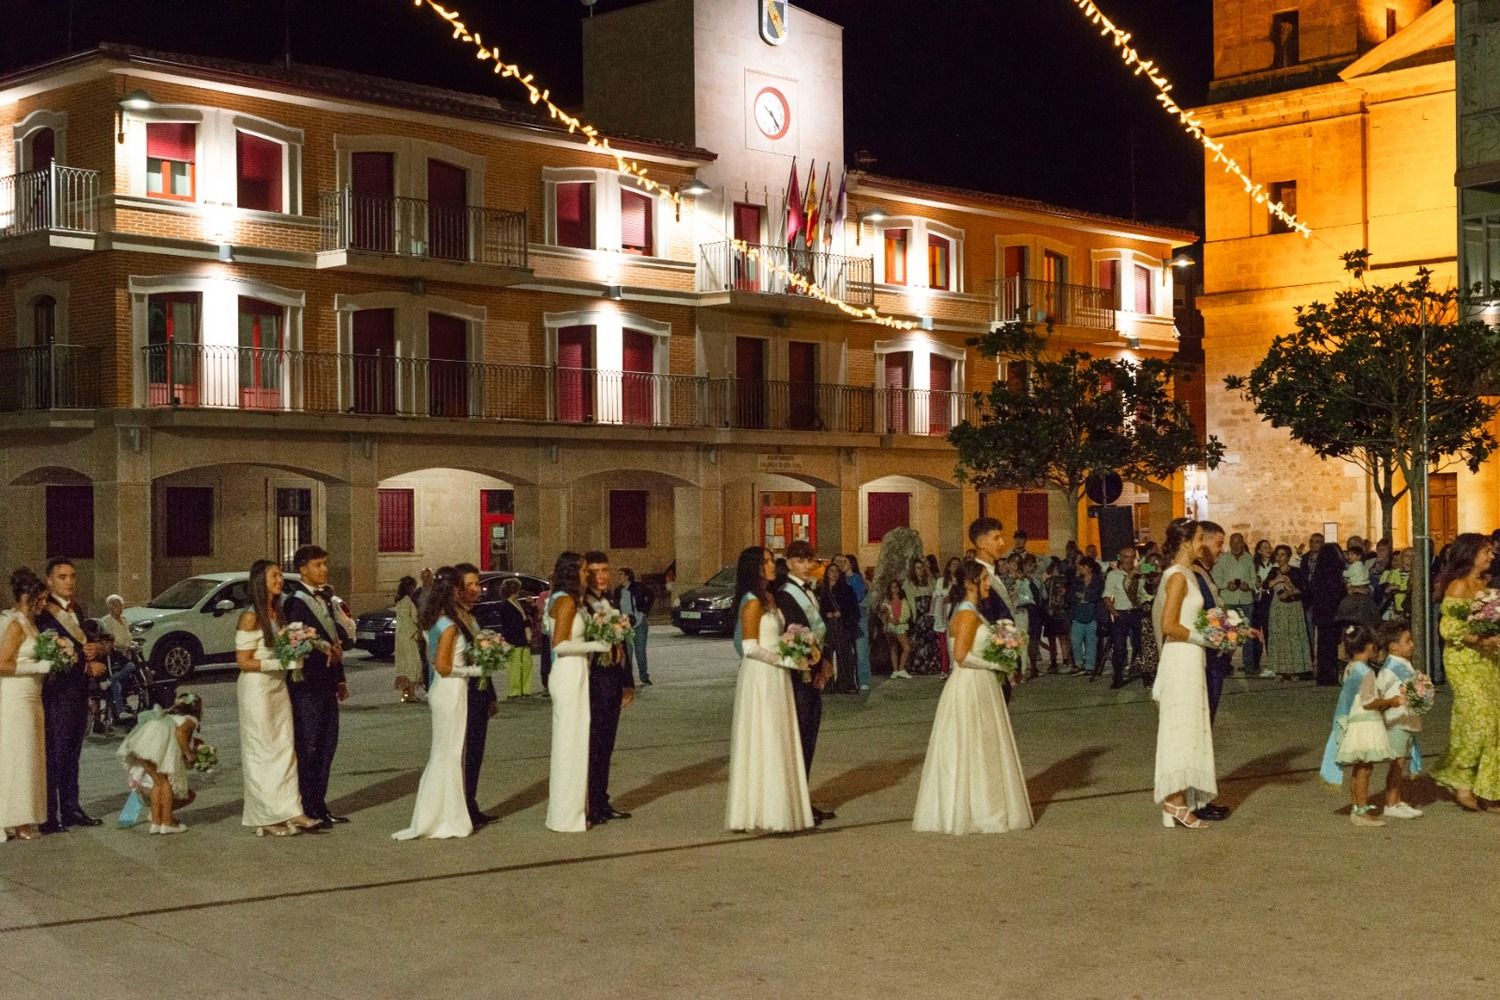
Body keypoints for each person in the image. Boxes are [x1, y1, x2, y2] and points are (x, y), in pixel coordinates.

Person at [913, 560, 1033, 835]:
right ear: (971, 584)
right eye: (984, 579)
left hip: (980, 685)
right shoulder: (966, 615)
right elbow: (961, 657)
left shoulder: (972, 611)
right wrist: (998, 664)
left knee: (982, 744)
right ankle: (977, 808)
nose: (988, 584)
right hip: (971, 684)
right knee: (975, 744)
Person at [725, 547, 815, 833]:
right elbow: (750, 647)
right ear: (754, 568)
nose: (771, 564)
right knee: (765, 735)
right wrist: (785, 659)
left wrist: (796, 646)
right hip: (761, 676)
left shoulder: (771, 598)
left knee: (780, 735)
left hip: (778, 675)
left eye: (770, 559)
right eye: (765, 561)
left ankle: (781, 805)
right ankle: (762, 809)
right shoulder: (751, 603)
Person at [393, 566, 483, 840]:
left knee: (445, 752)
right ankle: (445, 817)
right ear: (454, 591)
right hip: (452, 689)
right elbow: (443, 666)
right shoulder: (450, 627)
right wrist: (473, 671)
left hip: (443, 690)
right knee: (449, 753)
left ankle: (444, 813)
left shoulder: (437, 621)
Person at [235, 560, 319, 838]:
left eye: (281, 575)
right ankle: (266, 816)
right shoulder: (250, 616)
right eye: (274, 575)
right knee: (262, 751)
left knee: (284, 748)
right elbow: (243, 661)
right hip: (257, 690)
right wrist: (283, 663)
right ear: (261, 580)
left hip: (278, 688)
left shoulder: (279, 612)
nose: (280, 579)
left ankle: (292, 810)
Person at [1151, 518, 1217, 830]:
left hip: (1191, 657)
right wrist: (1204, 638)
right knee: (1179, 728)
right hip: (1180, 657)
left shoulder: (1189, 574)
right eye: (1199, 538)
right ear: (1185, 542)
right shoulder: (1177, 576)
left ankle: (1177, 800)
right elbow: (1168, 625)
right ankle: (1173, 801)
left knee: (1189, 727)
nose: (1202, 543)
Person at [281, 545, 351, 828]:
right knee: (309, 746)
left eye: (325, 564)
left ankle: (320, 804)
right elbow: (296, 642)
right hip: (307, 684)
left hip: (326, 683)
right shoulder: (297, 602)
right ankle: (307, 806)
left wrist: (340, 677)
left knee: (326, 745)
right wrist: (322, 652)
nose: (323, 569)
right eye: (317, 565)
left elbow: (334, 642)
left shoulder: (324, 599)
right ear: (302, 569)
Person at [1430, 533, 1500, 811]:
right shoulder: (1458, 586)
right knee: (1479, 719)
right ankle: (1462, 780)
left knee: (1494, 722)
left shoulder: (1487, 585)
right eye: (1486, 552)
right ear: (1471, 554)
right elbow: (1450, 629)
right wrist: (1481, 639)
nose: (1491, 556)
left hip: (1489, 659)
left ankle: (1489, 787)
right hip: (1463, 660)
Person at [37, 557, 104, 832]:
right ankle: (49, 815)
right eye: (62, 576)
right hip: (56, 693)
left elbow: (86, 642)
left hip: (77, 692)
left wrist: (95, 651)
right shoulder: (43, 613)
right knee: (55, 754)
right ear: (50, 580)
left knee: (73, 753)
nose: (69, 582)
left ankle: (71, 807)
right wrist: (85, 662)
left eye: (72, 576)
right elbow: (47, 651)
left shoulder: (77, 610)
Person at [545, 552, 609, 833]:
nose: (588, 575)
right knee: (570, 744)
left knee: (575, 742)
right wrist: (596, 646)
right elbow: (558, 644)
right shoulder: (565, 600)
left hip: (577, 671)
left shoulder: (568, 599)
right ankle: (566, 814)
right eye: (584, 571)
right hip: (569, 671)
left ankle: (573, 808)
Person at [775, 540, 835, 824]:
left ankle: (803, 795)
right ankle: (795, 800)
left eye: (810, 560)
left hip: (813, 668)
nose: (807, 565)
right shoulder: (785, 593)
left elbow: (821, 627)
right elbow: (793, 632)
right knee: (799, 736)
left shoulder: (812, 591)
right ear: (788, 563)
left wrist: (825, 660)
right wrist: (813, 661)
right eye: (800, 560)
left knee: (809, 735)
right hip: (798, 672)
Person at [1319, 625, 1400, 827]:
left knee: (1359, 767)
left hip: (1354, 720)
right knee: (1365, 767)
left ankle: (1357, 807)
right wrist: (1391, 701)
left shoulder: (1350, 668)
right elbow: (1368, 701)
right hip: (1365, 723)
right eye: (1377, 647)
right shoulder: (1366, 672)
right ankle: (1361, 810)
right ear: (1370, 646)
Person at [0, 568, 53, 841]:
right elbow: (3, 663)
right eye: (40, 599)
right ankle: (15, 819)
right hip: (16, 697)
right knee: (18, 757)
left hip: (32, 696)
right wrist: (38, 666)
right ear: (25, 597)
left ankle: (25, 817)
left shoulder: (31, 623)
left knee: (30, 756)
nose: (44, 604)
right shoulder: (15, 625)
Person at [583, 551, 635, 826]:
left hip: (613, 677)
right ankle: (591, 802)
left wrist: (628, 681)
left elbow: (623, 642)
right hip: (595, 679)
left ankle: (602, 800)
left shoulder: (611, 600)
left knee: (607, 743)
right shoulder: (583, 604)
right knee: (594, 743)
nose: (601, 576)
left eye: (605, 570)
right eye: (595, 571)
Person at [117, 691, 201, 834]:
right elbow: (180, 733)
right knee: (165, 783)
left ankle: (156, 822)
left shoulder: (170, 715)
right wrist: (188, 754)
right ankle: (167, 823)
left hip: (143, 744)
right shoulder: (191, 719)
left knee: (158, 782)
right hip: (157, 747)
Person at [1374, 620, 1423, 820]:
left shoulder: (1404, 664)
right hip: (1397, 720)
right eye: (1407, 640)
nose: (1412, 644)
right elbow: (1379, 691)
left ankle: (1397, 799)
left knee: (1401, 761)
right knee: (1397, 763)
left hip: (1407, 719)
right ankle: (1390, 803)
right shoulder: (1389, 669)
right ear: (1393, 646)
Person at [1262, 545, 1312, 681]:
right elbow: (1265, 585)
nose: (1280, 558)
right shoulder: (1273, 571)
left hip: (1293, 606)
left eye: (1283, 555)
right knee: (1279, 637)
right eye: (1277, 555)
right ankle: (1279, 670)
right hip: (1278, 607)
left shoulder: (1296, 571)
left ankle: (1295, 670)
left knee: (1293, 637)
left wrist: (1291, 591)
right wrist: (1277, 580)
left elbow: (1304, 588)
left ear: (1288, 557)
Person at [1212, 533, 1259, 675]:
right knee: (1227, 634)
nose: (1236, 545)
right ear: (1230, 543)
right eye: (1233, 542)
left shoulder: (1249, 559)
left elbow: (1253, 578)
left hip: (1245, 600)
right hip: (1229, 600)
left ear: (1242, 543)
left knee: (1247, 635)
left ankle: (1249, 665)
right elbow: (1216, 577)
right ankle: (1224, 665)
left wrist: (1248, 585)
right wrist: (1227, 585)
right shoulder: (1223, 559)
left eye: (1239, 542)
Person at [1102, 546, 1143, 689]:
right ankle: (1118, 676)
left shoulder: (1141, 571)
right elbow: (1106, 595)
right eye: (1126, 556)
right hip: (1122, 613)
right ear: (1120, 558)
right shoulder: (1113, 575)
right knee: (1119, 647)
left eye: (1132, 557)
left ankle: (1138, 670)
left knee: (1139, 645)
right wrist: (1113, 612)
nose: (1130, 560)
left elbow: (1157, 568)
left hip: (1137, 612)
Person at [1309, 543, 1347, 685]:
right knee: (1331, 647)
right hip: (1332, 613)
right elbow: (1338, 594)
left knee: (1323, 646)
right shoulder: (1334, 575)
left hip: (1322, 613)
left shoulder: (1319, 574)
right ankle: (1330, 675)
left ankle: (1324, 676)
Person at [818, 562, 856, 694]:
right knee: (827, 654)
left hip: (842, 626)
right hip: (828, 626)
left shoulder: (846, 589)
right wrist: (825, 614)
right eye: (831, 571)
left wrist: (842, 613)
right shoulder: (822, 590)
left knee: (844, 654)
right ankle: (828, 684)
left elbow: (853, 608)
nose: (834, 574)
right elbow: (819, 608)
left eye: (836, 571)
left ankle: (846, 684)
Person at [839, 554, 872, 692]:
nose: (842, 564)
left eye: (845, 561)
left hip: (858, 617)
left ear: (851, 563)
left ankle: (863, 679)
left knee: (861, 649)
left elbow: (857, 597)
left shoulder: (857, 579)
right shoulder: (841, 580)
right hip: (845, 616)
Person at [616, 568, 654, 686]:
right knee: (627, 653)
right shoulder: (618, 591)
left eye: (621, 575)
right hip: (625, 625)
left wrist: (644, 612)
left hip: (639, 623)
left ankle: (644, 676)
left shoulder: (638, 586)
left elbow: (651, 596)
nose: (618, 577)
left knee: (640, 651)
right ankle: (628, 679)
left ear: (627, 576)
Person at [1068, 559, 1104, 679]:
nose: (1080, 569)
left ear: (1088, 567)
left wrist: (1084, 596)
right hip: (1078, 614)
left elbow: (1096, 595)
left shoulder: (1098, 580)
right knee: (1076, 641)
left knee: (1091, 642)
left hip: (1093, 614)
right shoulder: (1076, 581)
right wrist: (1084, 597)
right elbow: (1071, 596)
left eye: (1082, 567)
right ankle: (1079, 664)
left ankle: (1090, 666)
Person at [497, 577, 533, 699]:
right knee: (515, 666)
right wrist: (525, 624)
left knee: (526, 665)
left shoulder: (516, 603)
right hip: (514, 639)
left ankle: (525, 689)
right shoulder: (506, 605)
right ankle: (514, 691)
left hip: (522, 638)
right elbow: (512, 624)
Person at [904, 559, 940, 676]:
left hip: (929, 614)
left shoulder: (930, 582)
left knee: (930, 640)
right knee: (918, 641)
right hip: (918, 615)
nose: (920, 570)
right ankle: (917, 666)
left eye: (921, 567)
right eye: (917, 568)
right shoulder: (909, 583)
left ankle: (930, 665)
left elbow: (935, 595)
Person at [392, 576, 424, 704]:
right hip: (409, 636)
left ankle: (404, 693)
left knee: (403, 664)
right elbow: (415, 618)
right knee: (412, 663)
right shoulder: (408, 601)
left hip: (400, 637)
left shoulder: (399, 601)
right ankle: (411, 693)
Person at [879, 578, 912, 678]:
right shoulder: (887, 601)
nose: (894, 589)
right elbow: (882, 611)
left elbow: (907, 613)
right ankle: (895, 670)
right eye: (892, 587)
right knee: (893, 648)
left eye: (896, 587)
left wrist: (899, 620)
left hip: (900, 626)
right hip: (890, 627)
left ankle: (901, 668)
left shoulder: (903, 601)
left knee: (906, 648)